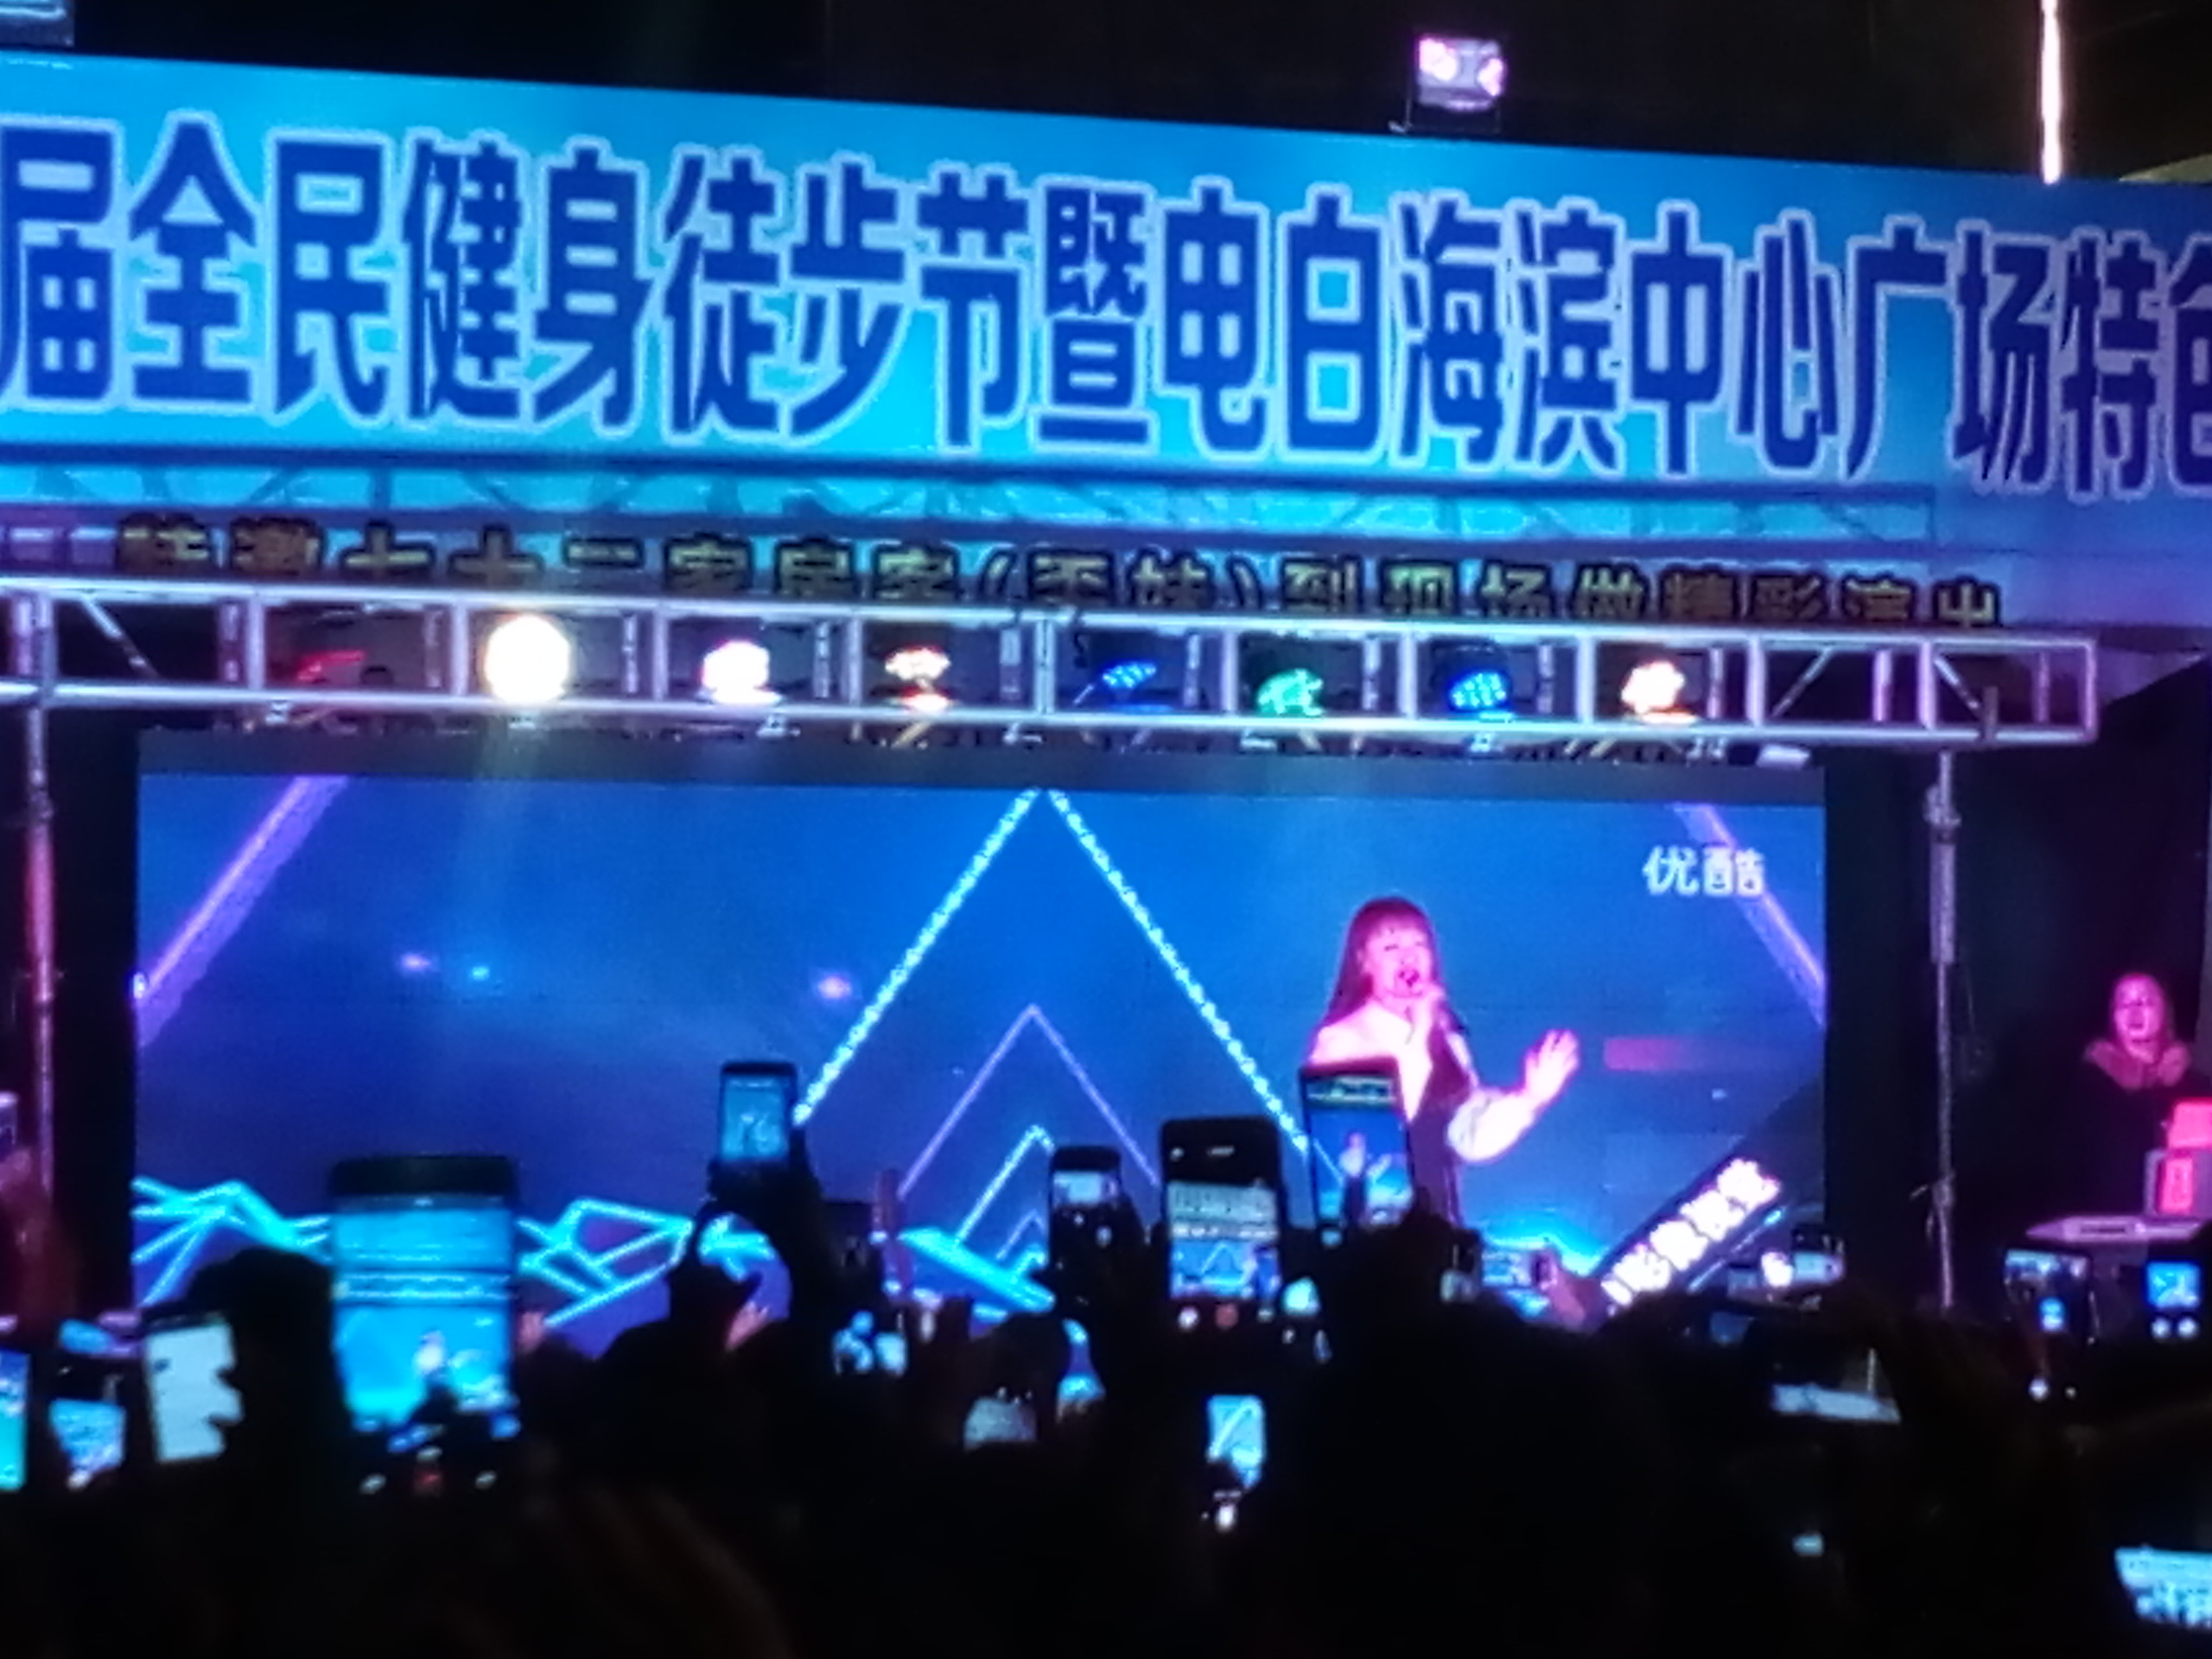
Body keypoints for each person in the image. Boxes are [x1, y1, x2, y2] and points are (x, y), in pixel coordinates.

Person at [1307, 897, 1579, 1225]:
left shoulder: (1447, 1038)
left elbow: (1469, 1139)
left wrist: (1530, 1097)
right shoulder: (1342, 1039)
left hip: (1441, 1225)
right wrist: (1421, 1029)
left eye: (1420, 944)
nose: (1409, 956)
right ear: (1364, 961)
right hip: (1374, 1231)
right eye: (1391, 947)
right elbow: (1385, 1126)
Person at [2073, 970, 2212, 1214]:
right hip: (2105, 1221)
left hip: (2182, 1224)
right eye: (2124, 1004)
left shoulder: (2197, 1088)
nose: (2134, 1011)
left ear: (2165, 1012)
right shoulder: (2086, 1087)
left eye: (2146, 1002)